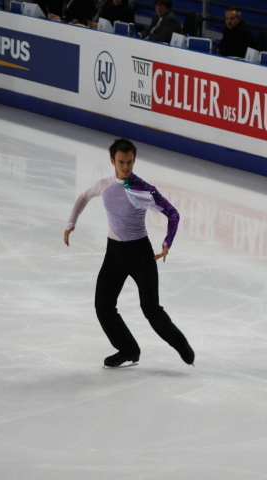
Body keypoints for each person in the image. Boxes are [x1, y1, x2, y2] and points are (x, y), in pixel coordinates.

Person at [64, 138, 194, 368]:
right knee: (103, 307)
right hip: (113, 254)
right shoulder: (104, 185)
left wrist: (167, 241)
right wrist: (70, 223)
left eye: (130, 162)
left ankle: (181, 344)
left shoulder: (142, 189)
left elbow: (173, 214)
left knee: (151, 309)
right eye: (121, 162)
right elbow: (84, 196)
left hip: (140, 254)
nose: (126, 167)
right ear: (112, 161)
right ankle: (128, 349)